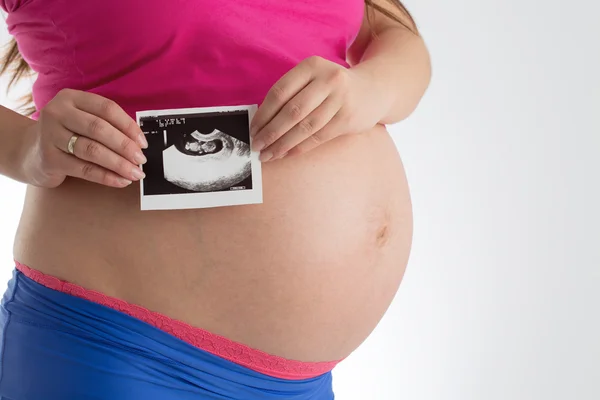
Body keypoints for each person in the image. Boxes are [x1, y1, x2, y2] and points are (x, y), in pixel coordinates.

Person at [0, 0, 431, 398]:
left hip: (304, 382)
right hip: (117, 353)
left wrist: (370, 89)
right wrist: (23, 148)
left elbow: (391, 31)